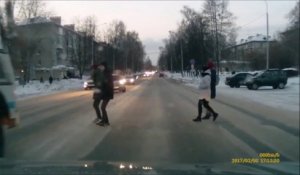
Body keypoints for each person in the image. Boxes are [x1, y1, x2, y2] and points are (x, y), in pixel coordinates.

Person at [92, 62, 114, 126]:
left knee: (102, 107)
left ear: (104, 66)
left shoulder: (107, 74)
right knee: (101, 107)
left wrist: (102, 85)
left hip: (107, 93)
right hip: (104, 93)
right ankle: (105, 121)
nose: (100, 68)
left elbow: (106, 83)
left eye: (101, 66)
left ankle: (104, 121)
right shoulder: (102, 73)